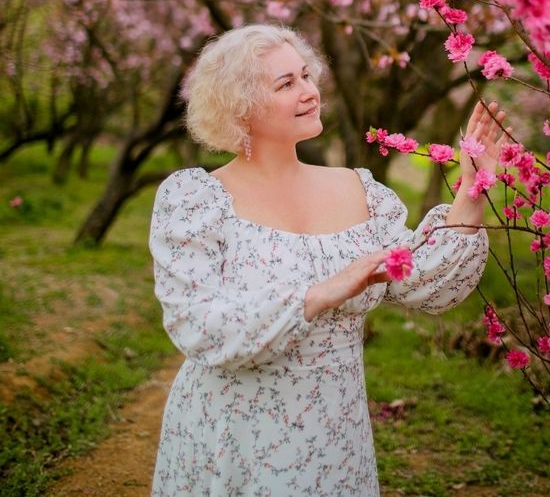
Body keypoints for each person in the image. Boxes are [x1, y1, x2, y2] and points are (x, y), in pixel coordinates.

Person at [149, 24, 507, 496]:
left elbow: (424, 281)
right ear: (241, 107)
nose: (309, 92)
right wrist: (319, 294)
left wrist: (472, 192)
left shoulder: (356, 189)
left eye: (306, 76)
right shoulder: (197, 201)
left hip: (333, 435)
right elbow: (197, 325)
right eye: (286, 84)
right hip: (231, 433)